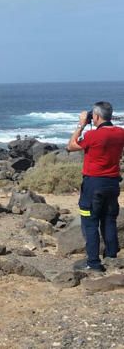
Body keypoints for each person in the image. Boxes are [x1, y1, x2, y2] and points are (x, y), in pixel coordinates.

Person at [67, 101, 124, 272]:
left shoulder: (92, 135)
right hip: (112, 183)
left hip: (93, 184)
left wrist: (81, 124)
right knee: (109, 220)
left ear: (96, 117)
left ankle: (93, 263)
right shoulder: (121, 133)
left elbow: (71, 145)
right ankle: (112, 258)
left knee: (90, 222)